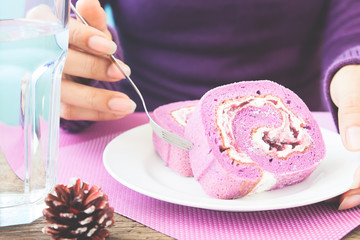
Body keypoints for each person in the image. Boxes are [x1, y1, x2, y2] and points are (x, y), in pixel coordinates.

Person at [61, 0, 360, 210]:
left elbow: (352, 26)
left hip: (316, 116)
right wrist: (82, 71)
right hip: (137, 115)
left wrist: (353, 70)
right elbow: (76, 19)